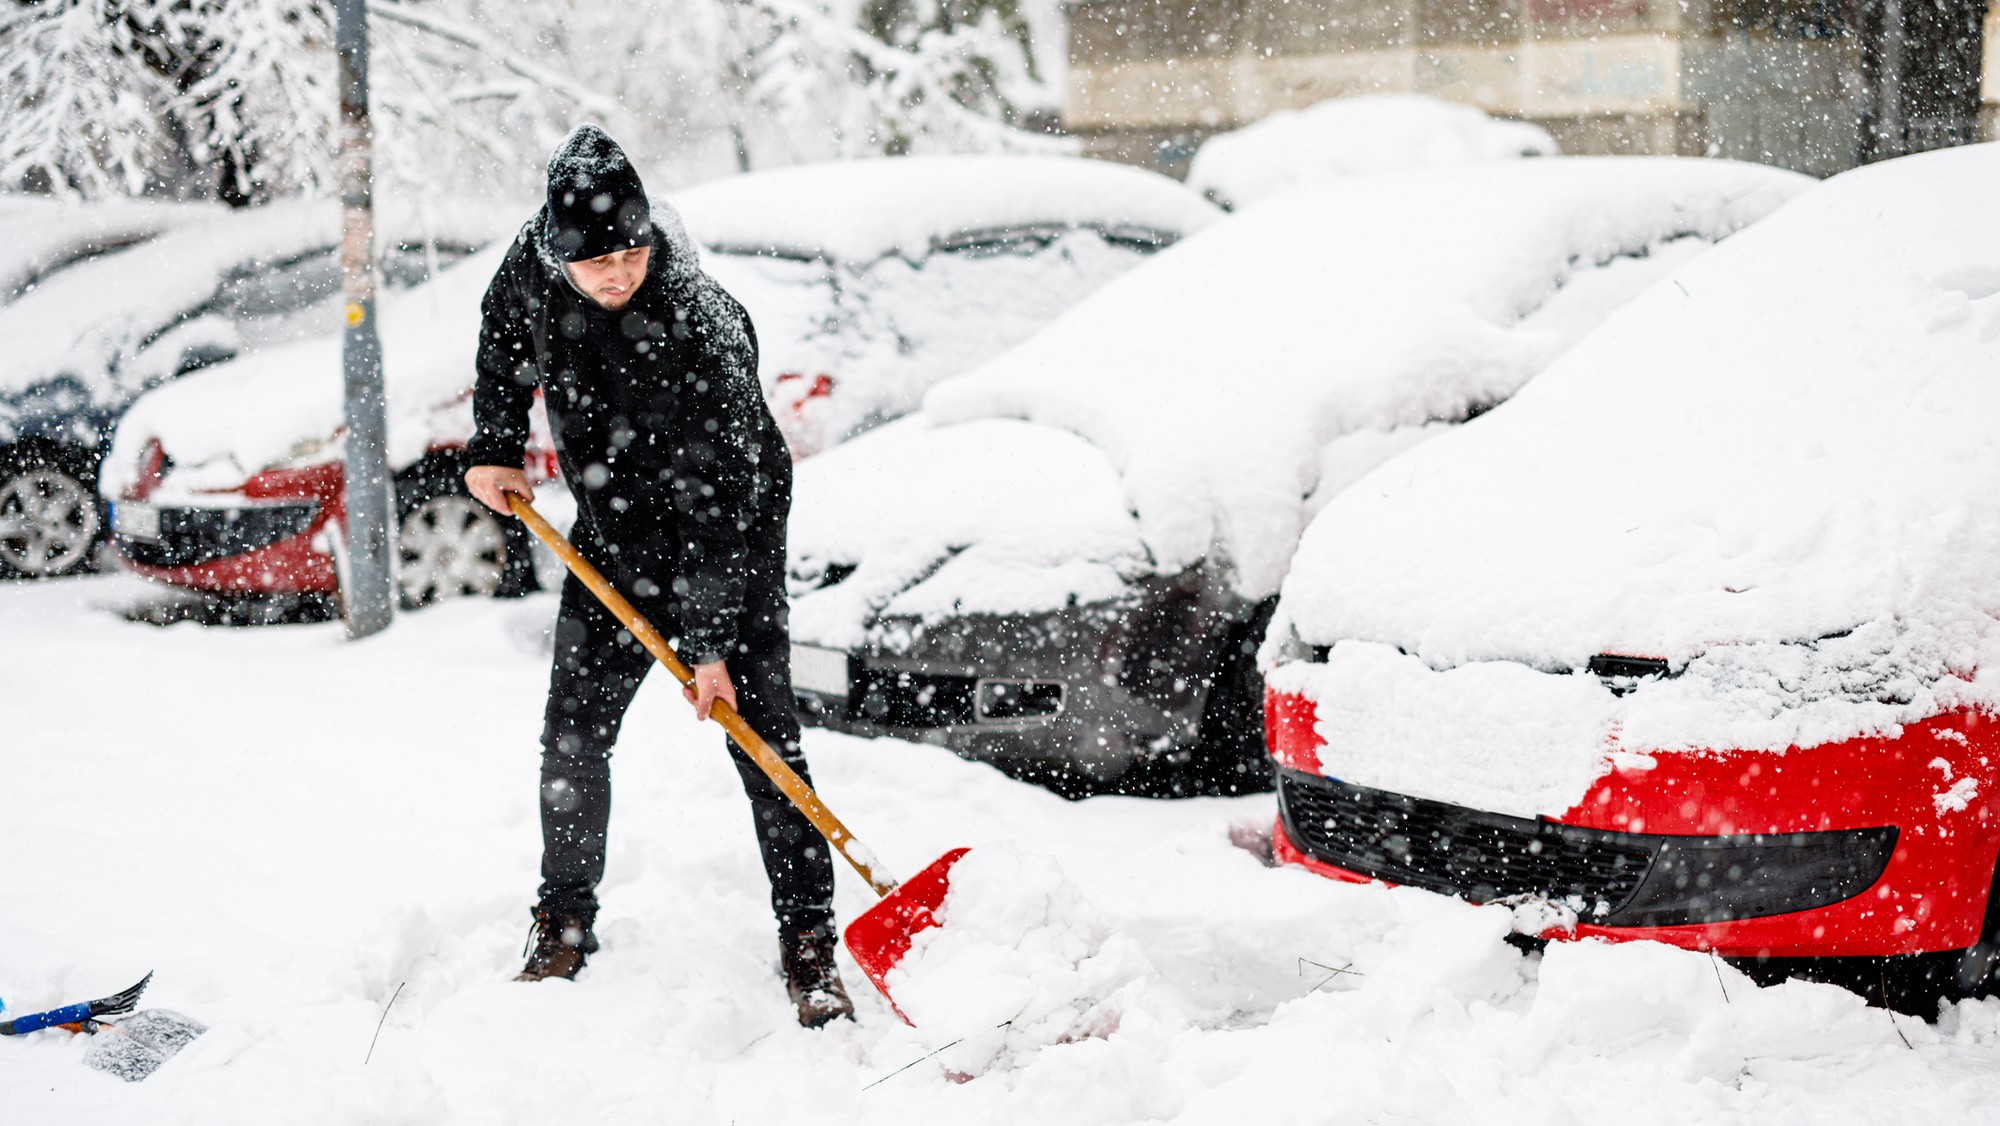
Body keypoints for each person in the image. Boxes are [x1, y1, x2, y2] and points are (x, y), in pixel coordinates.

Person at [462, 124, 851, 1028]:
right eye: (594, 261)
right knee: (572, 737)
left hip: (730, 547)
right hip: (610, 536)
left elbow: (720, 504)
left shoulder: (701, 323)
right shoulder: (536, 265)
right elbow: (500, 337)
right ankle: (563, 919)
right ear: (558, 253)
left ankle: (808, 940)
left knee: (765, 751)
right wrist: (493, 444)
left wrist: (709, 645)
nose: (615, 273)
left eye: (631, 252)